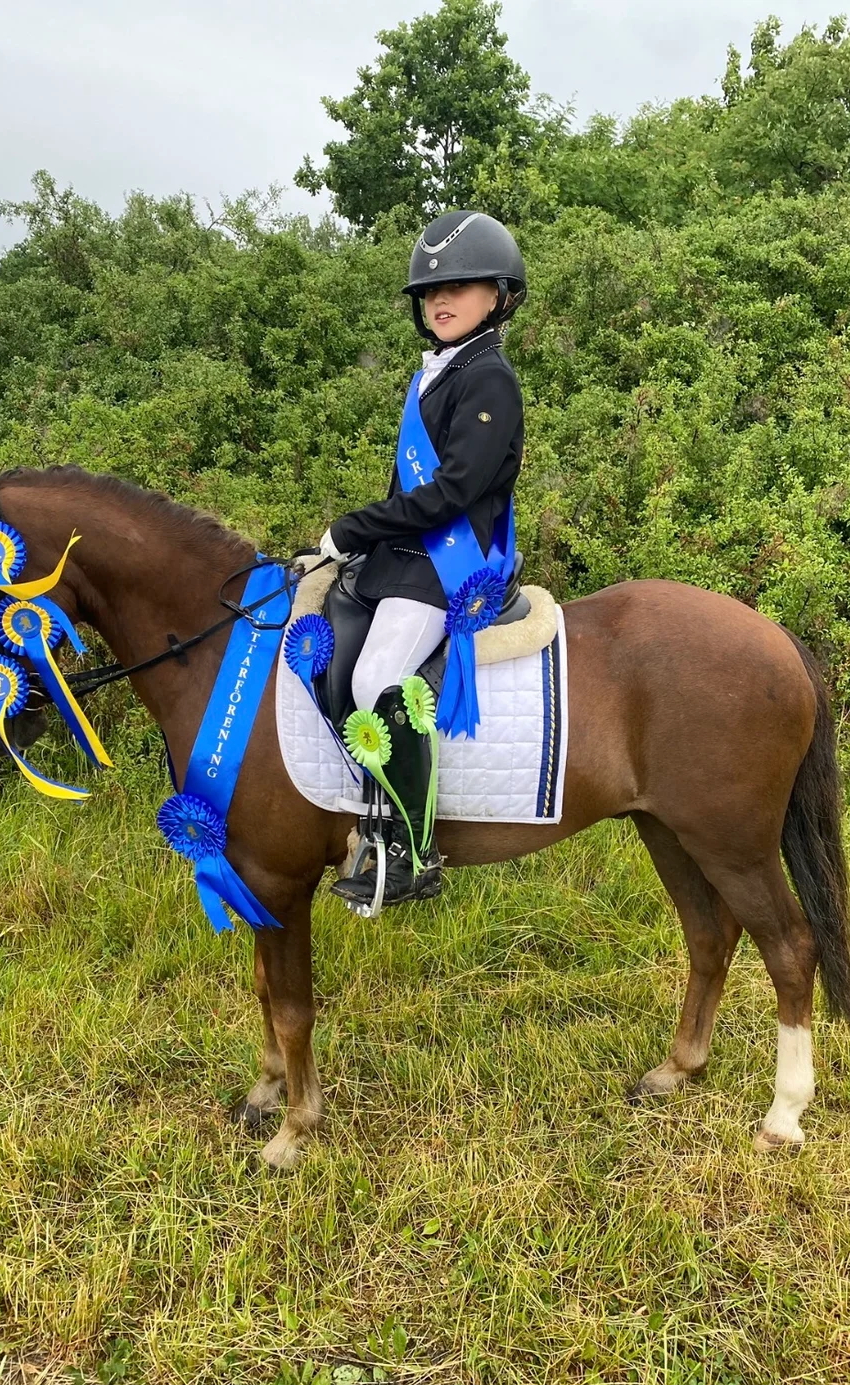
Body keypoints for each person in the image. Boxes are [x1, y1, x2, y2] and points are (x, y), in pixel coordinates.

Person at [321, 209, 527, 908]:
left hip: (449, 566)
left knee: (379, 676)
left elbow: (451, 492)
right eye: (430, 293)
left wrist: (352, 528)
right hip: (404, 560)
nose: (440, 300)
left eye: (461, 287)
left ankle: (413, 850)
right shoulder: (439, 372)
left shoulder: (488, 377)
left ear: (497, 296)